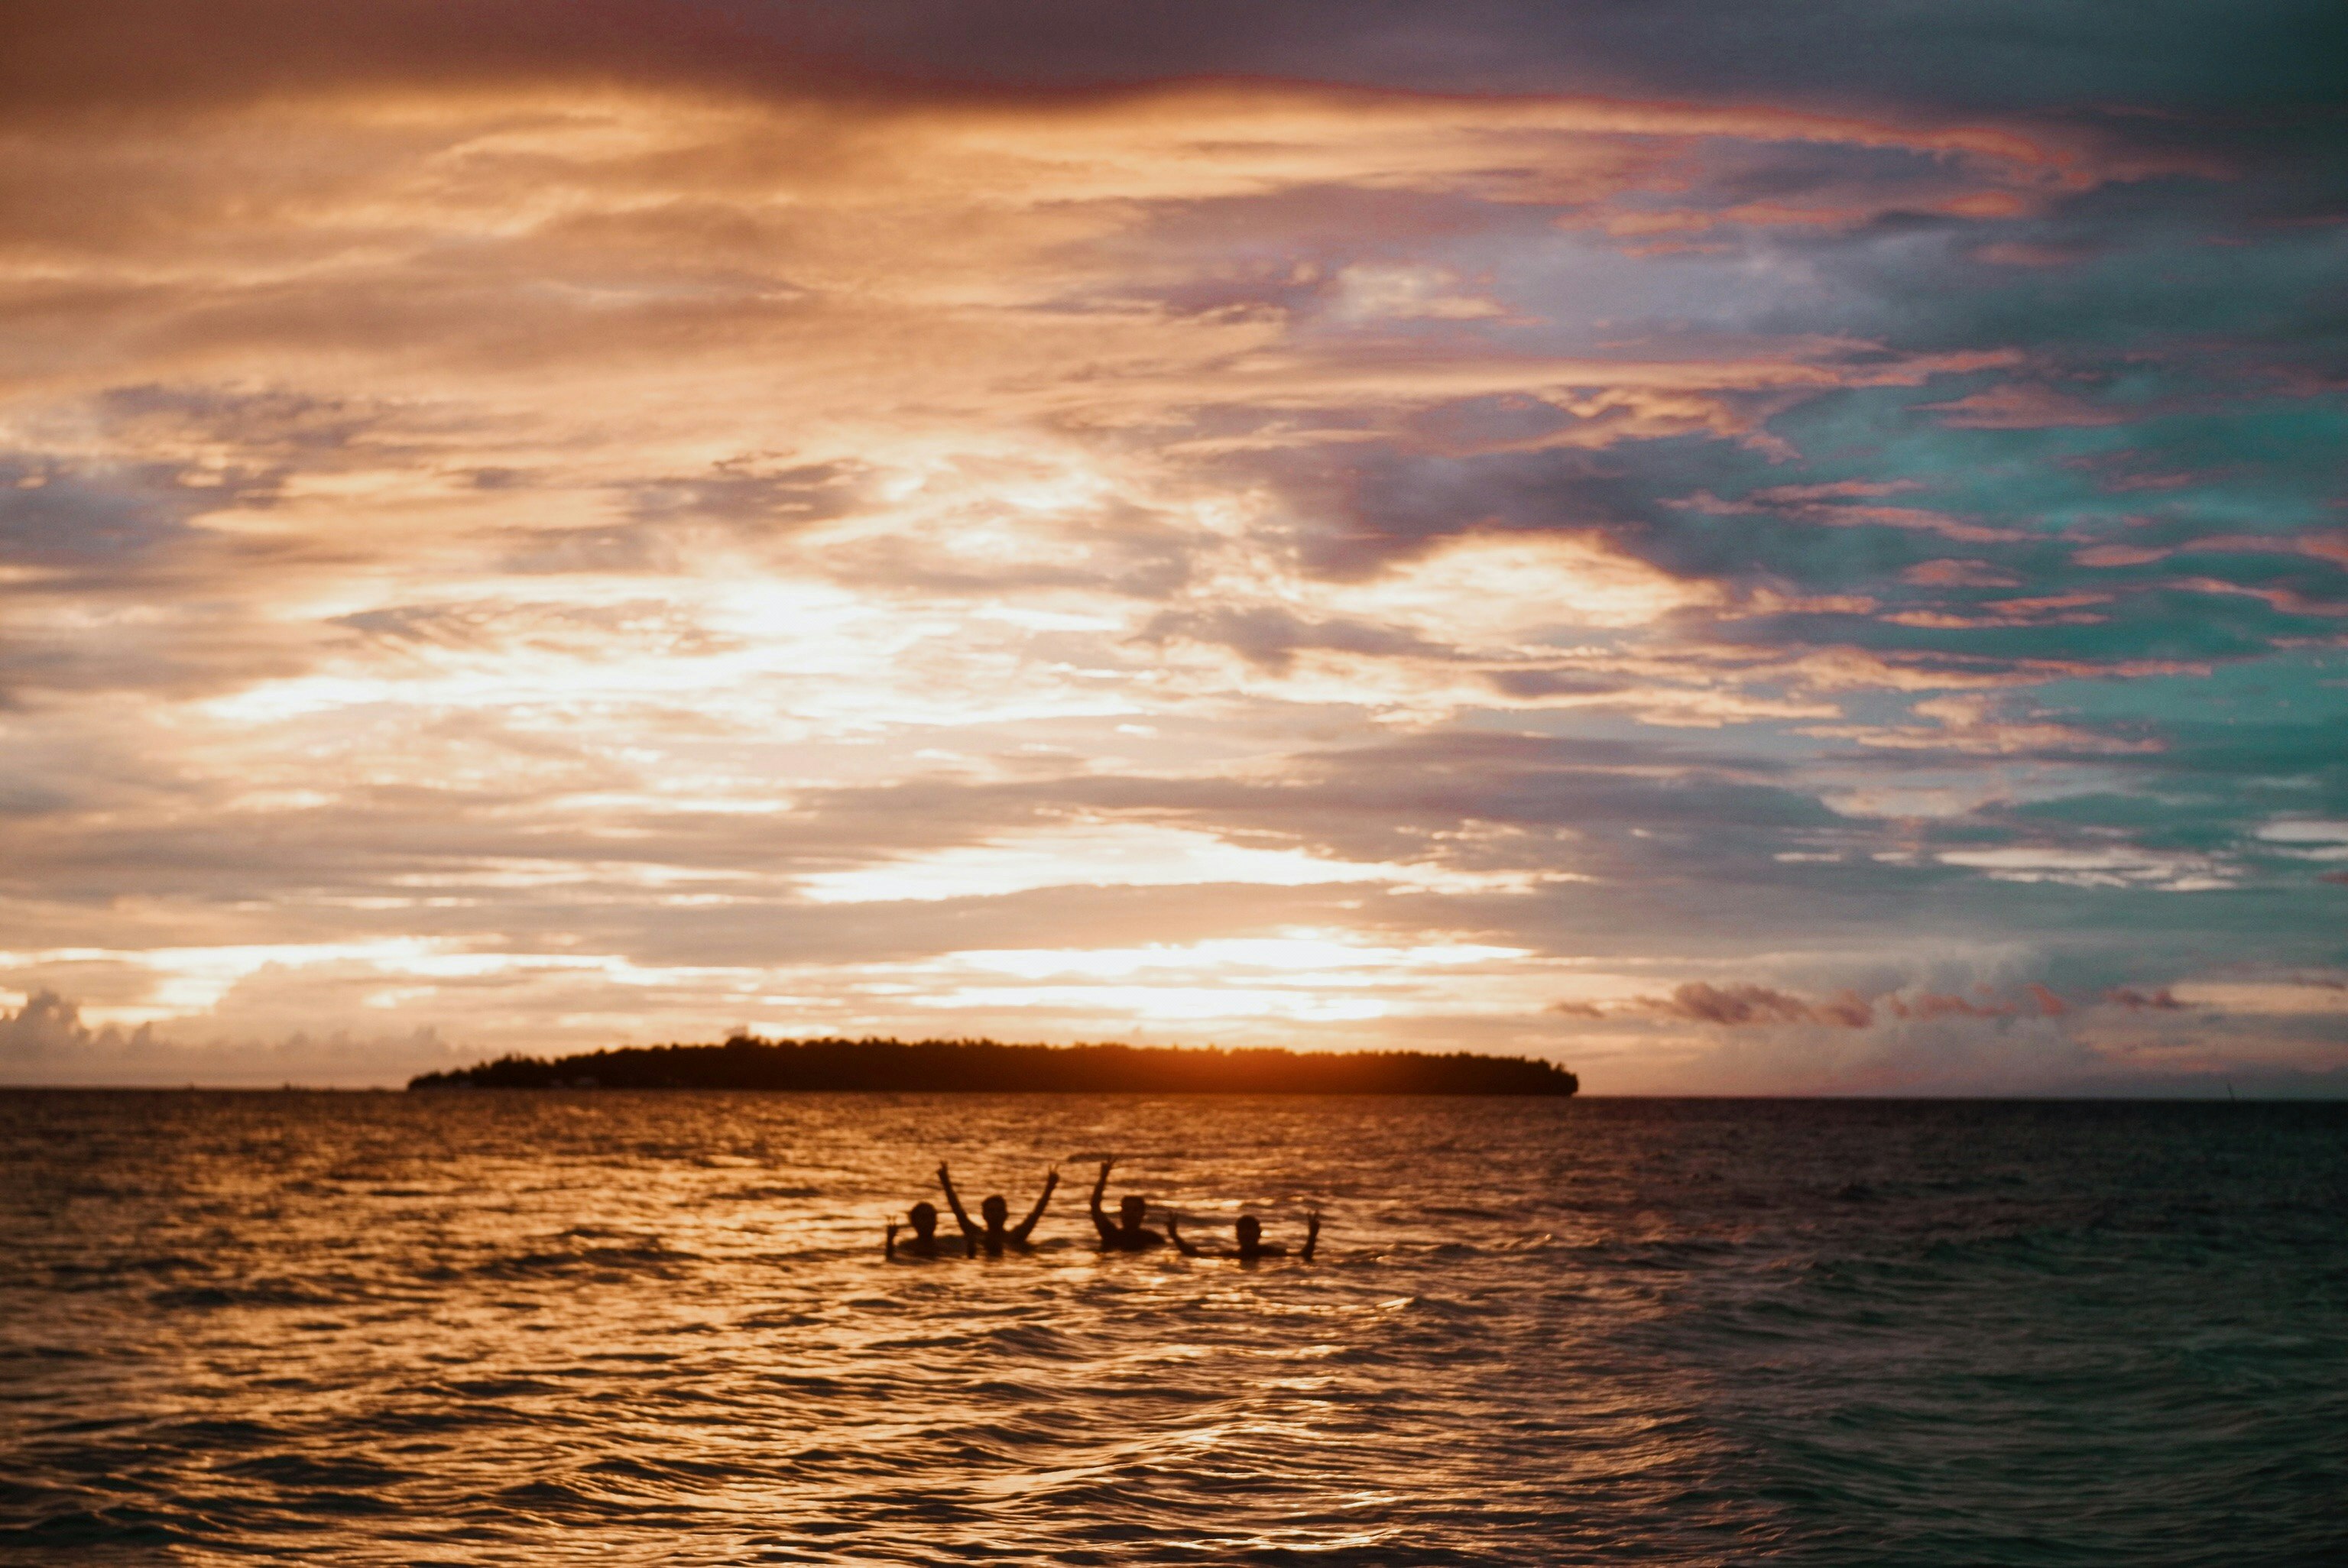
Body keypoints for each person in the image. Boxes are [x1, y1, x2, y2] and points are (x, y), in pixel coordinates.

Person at [937, 1161, 1058, 1255]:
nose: (995, 1214)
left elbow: (1036, 1214)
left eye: (999, 1210)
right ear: (984, 1215)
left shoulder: (1015, 1236)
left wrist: (1050, 1187)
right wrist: (946, 1183)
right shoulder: (976, 1234)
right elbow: (958, 1212)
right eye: (991, 1210)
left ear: (1006, 1215)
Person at [1169, 1210, 1320, 1263]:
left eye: (1250, 1231)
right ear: (1237, 1235)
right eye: (1243, 1231)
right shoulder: (1231, 1255)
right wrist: (1175, 1236)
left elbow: (1302, 1255)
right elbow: (1194, 1253)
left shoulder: (1269, 1252)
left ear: (1259, 1234)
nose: (1247, 1234)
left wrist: (1312, 1236)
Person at [1088, 1156, 1165, 1251]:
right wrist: (1103, 1179)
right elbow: (1095, 1206)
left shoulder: (1152, 1239)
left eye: (1135, 1210)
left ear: (1142, 1214)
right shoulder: (1112, 1234)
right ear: (1121, 1213)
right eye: (1127, 1209)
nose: (1130, 1214)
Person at [885, 1200, 968, 1260]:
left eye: (932, 1217)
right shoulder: (906, 1247)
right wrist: (890, 1241)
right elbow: (891, 1259)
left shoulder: (946, 1248)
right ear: (914, 1221)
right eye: (924, 1217)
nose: (929, 1221)